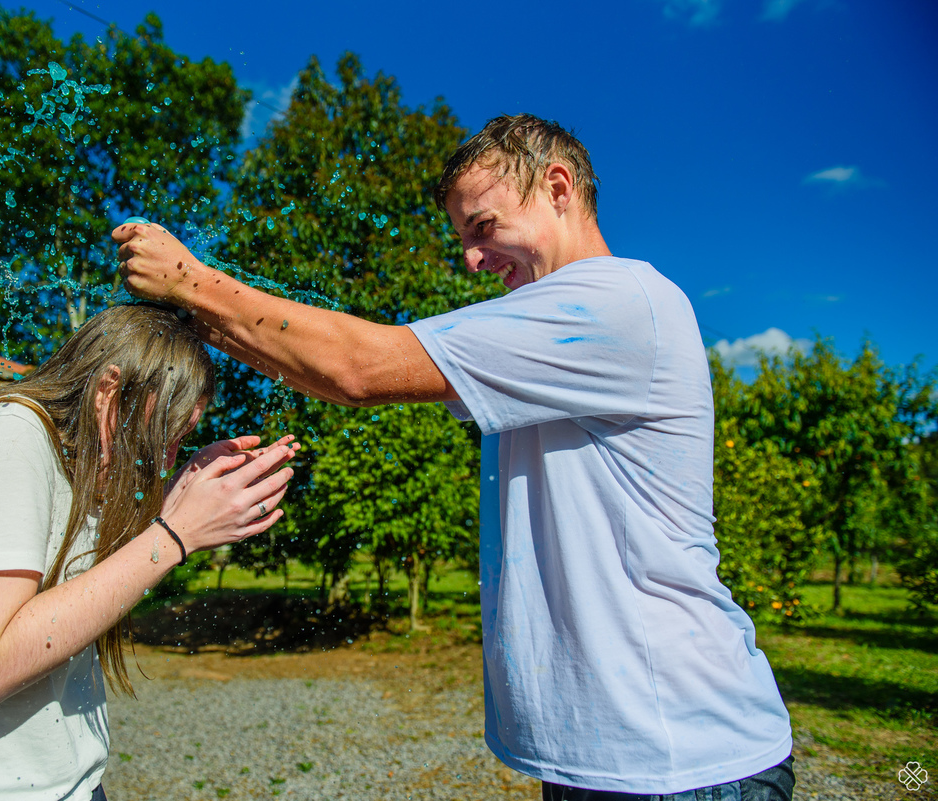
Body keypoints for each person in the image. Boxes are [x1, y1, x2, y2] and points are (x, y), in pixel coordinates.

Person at [112, 114, 795, 800]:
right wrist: (199, 318)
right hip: (622, 764)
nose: (470, 258)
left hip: (684, 761)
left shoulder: (612, 303)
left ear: (558, 188)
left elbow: (359, 369)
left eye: (483, 227)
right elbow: (336, 373)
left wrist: (192, 281)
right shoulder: (552, 336)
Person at [0, 304, 298, 801]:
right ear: (109, 393)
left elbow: (73, 598)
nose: (164, 457)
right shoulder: (9, 438)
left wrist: (175, 503)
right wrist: (174, 536)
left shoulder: (60, 459)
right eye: (165, 434)